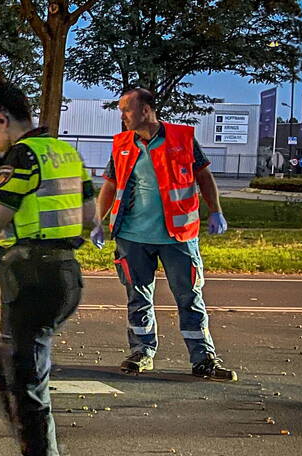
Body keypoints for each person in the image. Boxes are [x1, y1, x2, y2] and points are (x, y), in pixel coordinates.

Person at [0, 65, 96, 456]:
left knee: (25, 386)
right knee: (6, 371)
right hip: (64, 276)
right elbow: (88, 216)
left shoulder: (21, 156)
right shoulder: (63, 151)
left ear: (0, 120)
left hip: (34, 280)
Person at [92, 87, 236, 381]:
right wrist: (98, 220)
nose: (122, 116)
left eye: (126, 109)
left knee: (189, 297)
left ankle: (203, 359)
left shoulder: (182, 139)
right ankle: (141, 352)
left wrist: (216, 210)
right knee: (137, 297)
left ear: (145, 110)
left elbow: (203, 176)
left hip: (177, 237)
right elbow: (111, 184)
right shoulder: (122, 143)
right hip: (131, 236)